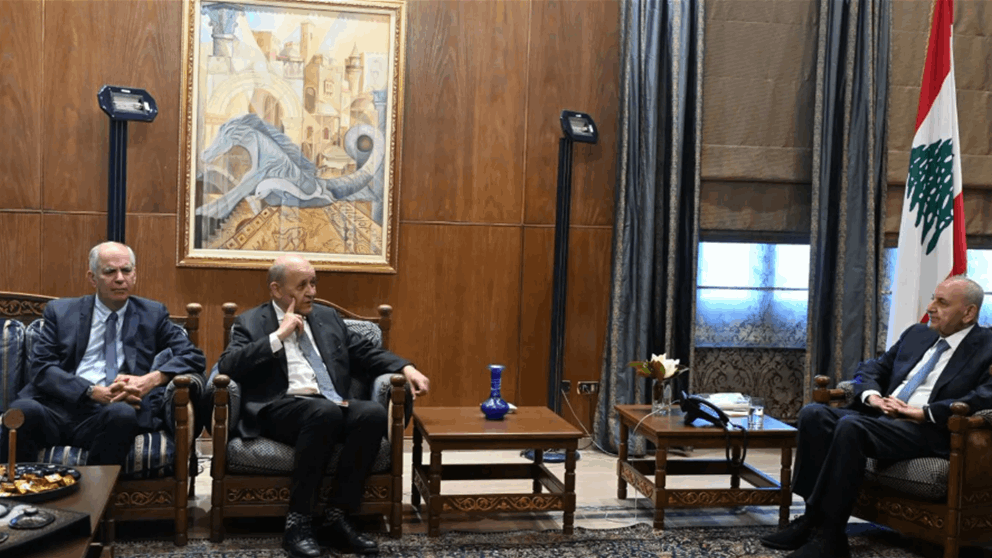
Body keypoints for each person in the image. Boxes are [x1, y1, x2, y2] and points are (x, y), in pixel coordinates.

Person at [760, 275, 992, 558]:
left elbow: (985, 396)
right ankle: (811, 518)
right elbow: (872, 368)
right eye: (933, 298)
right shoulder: (917, 334)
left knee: (851, 426)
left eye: (942, 303)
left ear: (968, 313)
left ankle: (831, 537)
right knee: (813, 414)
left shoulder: (987, 347)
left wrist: (923, 412)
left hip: (928, 429)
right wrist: (872, 396)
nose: (930, 307)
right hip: (883, 417)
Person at [217, 254, 430, 558]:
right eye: (302, 285)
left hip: (329, 404)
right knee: (324, 412)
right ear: (276, 289)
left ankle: (337, 516)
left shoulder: (327, 318)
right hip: (279, 408)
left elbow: (366, 352)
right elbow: (228, 365)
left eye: (313, 283)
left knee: (371, 414)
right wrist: (278, 336)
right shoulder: (250, 321)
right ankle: (298, 522)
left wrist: (407, 368)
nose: (312, 292)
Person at [3, 241, 206, 466]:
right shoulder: (61, 312)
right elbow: (42, 368)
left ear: (135, 274)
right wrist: (90, 391)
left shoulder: (152, 314)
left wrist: (150, 380)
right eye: (110, 271)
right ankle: (25, 486)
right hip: (58, 408)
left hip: (111, 412)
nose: (120, 278)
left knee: (122, 415)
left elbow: (193, 356)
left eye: (126, 270)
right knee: (23, 411)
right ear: (92, 278)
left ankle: (95, 489)